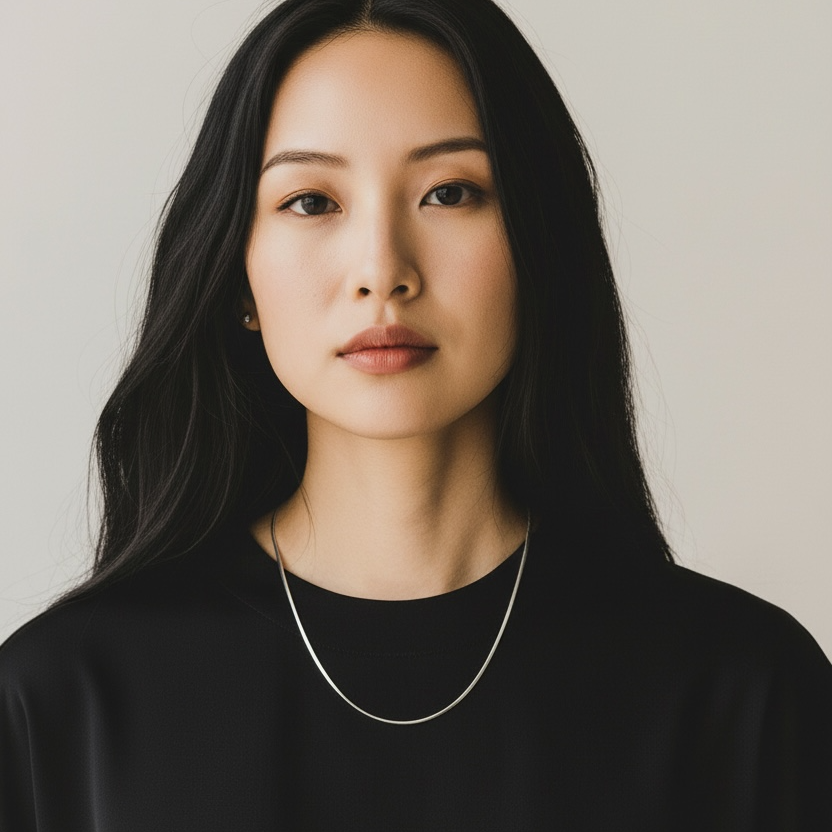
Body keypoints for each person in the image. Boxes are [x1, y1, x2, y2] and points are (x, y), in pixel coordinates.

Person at [1, 0, 830, 828]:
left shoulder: (744, 692)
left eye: (450, 191)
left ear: (538, 244)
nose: (382, 270)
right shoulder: (60, 703)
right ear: (235, 276)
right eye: (311, 202)